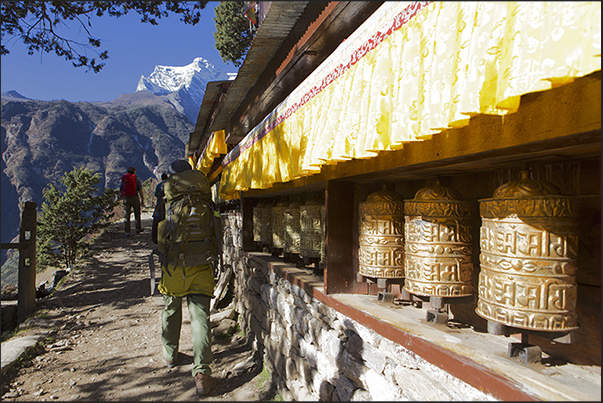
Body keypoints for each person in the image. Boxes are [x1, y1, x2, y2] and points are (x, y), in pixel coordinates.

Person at [153, 159, 218, 396]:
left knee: (171, 308)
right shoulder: (203, 195)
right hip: (202, 262)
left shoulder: (167, 199)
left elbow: (155, 233)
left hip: (174, 267)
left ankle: (171, 355)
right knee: (200, 316)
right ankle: (202, 373)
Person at [120, 166, 145, 235]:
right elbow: (140, 190)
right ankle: (138, 229)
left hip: (126, 198)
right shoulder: (136, 179)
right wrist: (142, 199)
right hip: (134, 197)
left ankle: (127, 231)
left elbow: (121, 189)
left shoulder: (124, 179)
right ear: (134, 172)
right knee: (137, 213)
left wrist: (122, 197)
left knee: (126, 214)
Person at [151, 173, 168, 244]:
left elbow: (155, 194)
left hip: (160, 204)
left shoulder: (159, 185)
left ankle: (156, 238)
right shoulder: (169, 184)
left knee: (157, 219)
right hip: (168, 204)